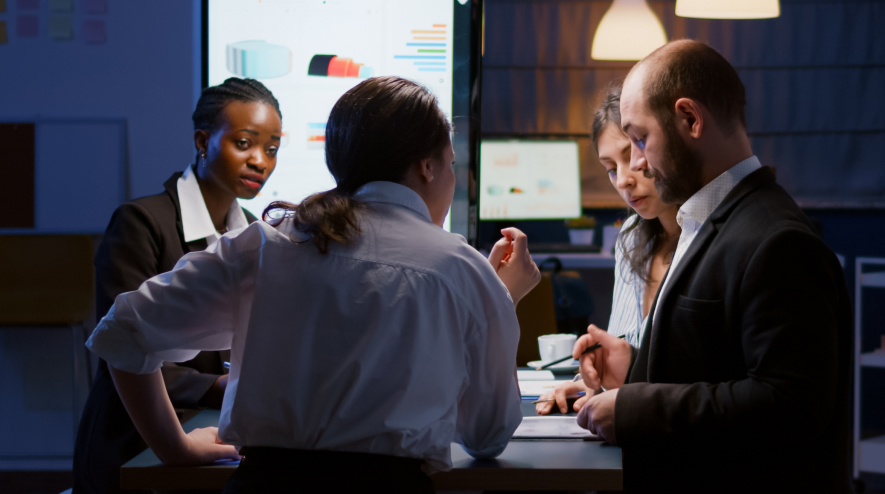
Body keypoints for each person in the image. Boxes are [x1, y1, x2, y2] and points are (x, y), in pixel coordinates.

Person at [85, 76, 542, 493]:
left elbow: (123, 331)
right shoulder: (462, 267)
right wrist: (501, 299)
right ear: (427, 166)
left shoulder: (264, 243)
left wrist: (175, 448)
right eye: (451, 163)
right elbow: (487, 435)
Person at [572, 40, 854, 493]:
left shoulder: (778, 241)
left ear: (690, 119)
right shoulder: (703, 220)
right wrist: (641, 367)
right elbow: (720, 361)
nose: (637, 162)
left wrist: (636, 406)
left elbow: (791, 405)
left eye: (641, 139)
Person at [73, 78, 282, 494]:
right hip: (136, 437)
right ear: (203, 142)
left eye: (272, 149)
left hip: (218, 430)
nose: (260, 160)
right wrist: (221, 385)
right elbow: (117, 344)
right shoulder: (140, 222)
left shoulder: (259, 232)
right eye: (244, 143)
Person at [537, 86, 681, 416]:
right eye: (611, 168)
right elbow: (622, 349)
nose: (623, 181)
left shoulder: (706, 240)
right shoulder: (631, 236)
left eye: (630, 157)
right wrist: (591, 382)